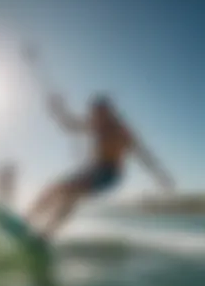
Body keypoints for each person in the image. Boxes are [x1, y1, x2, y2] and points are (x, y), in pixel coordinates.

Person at [27, 92, 175, 239]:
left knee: (72, 194)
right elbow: (70, 126)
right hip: (91, 169)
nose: (95, 117)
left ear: (108, 112)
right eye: (93, 113)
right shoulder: (96, 124)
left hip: (109, 173)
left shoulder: (121, 131)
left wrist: (160, 175)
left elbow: (142, 154)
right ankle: (28, 219)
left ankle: (47, 233)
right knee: (54, 188)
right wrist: (57, 109)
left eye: (98, 113)